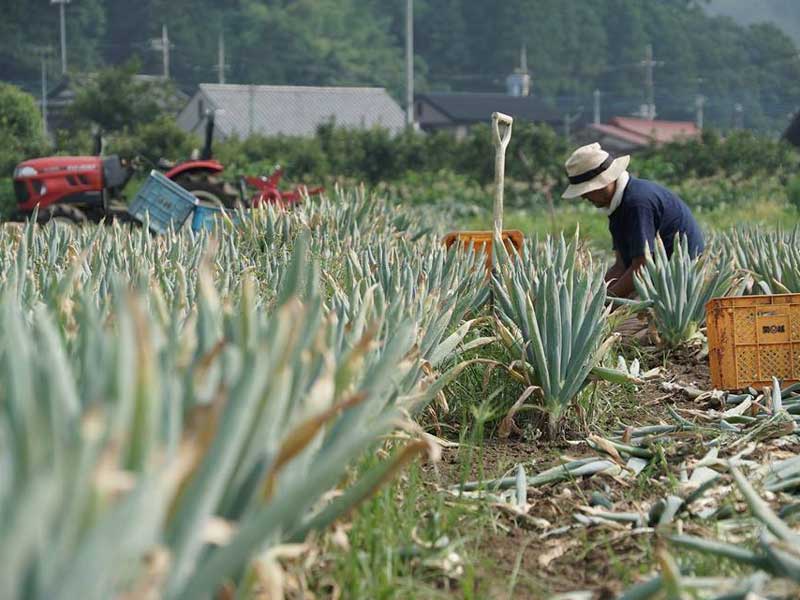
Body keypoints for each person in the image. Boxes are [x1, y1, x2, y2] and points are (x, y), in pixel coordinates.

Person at [562, 143, 704, 298]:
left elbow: (642, 267)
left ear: (604, 182)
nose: (584, 197)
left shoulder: (637, 203)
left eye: (586, 190)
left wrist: (603, 304)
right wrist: (592, 297)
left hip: (681, 285)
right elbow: (621, 266)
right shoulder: (619, 205)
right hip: (659, 280)